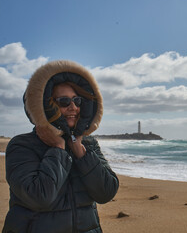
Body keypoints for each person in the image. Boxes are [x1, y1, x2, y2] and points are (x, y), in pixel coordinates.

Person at [2, 60, 119, 233]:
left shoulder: (88, 144)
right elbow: (39, 197)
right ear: (44, 105)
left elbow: (106, 192)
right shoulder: (22, 145)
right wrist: (58, 148)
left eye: (77, 101)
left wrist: (80, 152)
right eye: (64, 101)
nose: (73, 107)